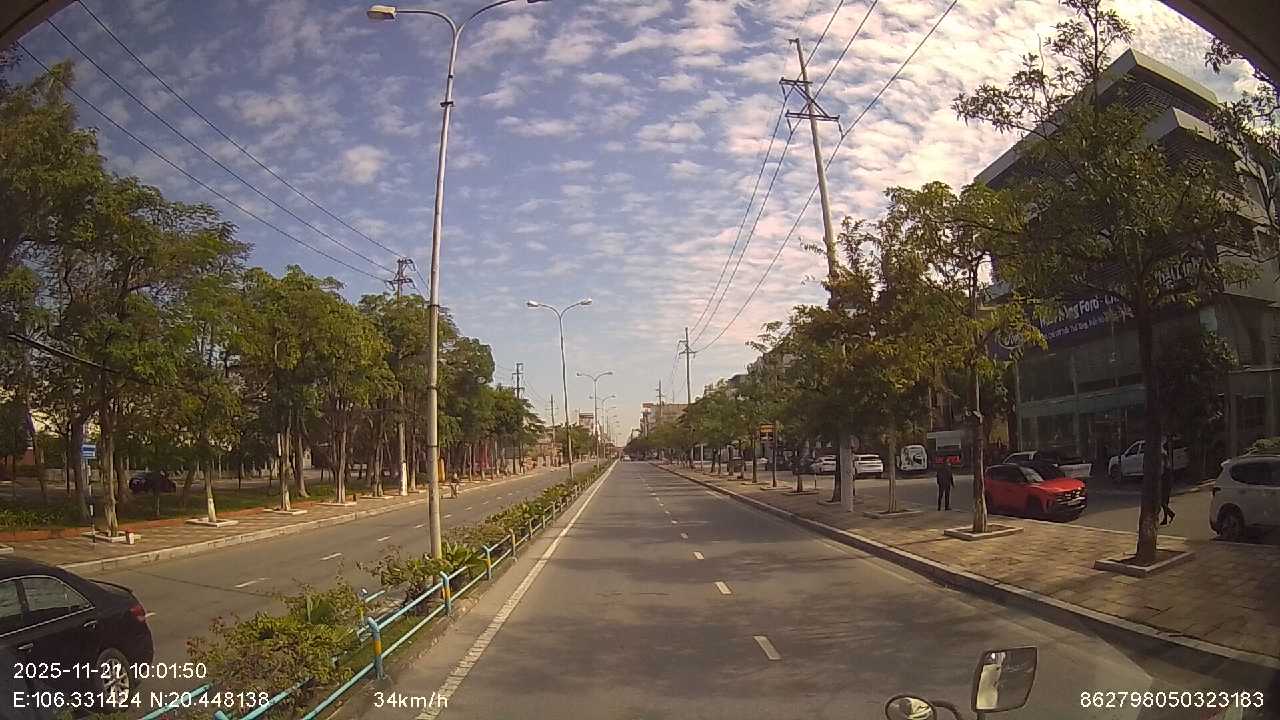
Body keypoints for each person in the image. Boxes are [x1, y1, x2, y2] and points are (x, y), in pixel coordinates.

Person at [1159, 441, 1176, 525]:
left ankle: (1171, 514)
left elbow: (1162, 470)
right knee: (1165, 501)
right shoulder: (1166, 457)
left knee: (1162, 501)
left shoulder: (1163, 457)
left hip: (1165, 482)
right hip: (1168, 481)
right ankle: (1165, 518)